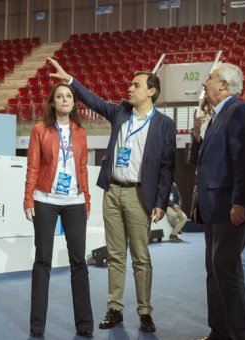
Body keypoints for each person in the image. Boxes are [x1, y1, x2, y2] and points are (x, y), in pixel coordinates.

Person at [48, 57, 176, 333]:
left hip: (140, 195)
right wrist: (69, 80)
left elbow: (167, 167)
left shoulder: (164, 124)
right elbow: (93, 101)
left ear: (151, 91)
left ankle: (144, 312)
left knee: (141, 257)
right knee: (116, 255)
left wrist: (160, 203)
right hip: (113, 191)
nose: (130, 88)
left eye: (136, 85)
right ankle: (115, 308)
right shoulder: (121, 112)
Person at [190, 63, 245, 340]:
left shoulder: (239, 111)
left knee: (227, 274)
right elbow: (198, 162)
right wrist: (196, 135)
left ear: (224, 85)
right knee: (214, 272)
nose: (204, 82)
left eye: (210, 78)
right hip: (213, 208)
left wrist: (239, 202)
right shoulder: (217, 116)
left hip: (230, 207)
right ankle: (219, 331)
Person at [23, 83, 94, 338]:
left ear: (74, 102)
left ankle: (85, 324)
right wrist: (28, 199)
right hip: (45, 199)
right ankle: (37, 325)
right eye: (60, 96)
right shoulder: (39, 130)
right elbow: (32, 166)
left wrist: (86, 200)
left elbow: (83, 168)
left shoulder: (80, 132)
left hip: (74, 202)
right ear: (52, 103)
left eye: (69, 96)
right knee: (43, 261)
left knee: (79, 262)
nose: (65, 100)